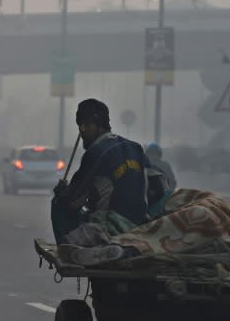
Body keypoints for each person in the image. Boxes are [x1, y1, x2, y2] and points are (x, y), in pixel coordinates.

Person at [51, 98, 158, 264]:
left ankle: (87, 250)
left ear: (98, 124)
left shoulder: (95, 153)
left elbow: (73, 202)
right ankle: (123, 248)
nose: (82, 131)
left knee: (58, 206)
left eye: (85, 125)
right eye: (80, 126)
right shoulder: (136, 148)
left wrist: (62, 194)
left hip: (108, 224)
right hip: (140, 224)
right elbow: (159, 185)